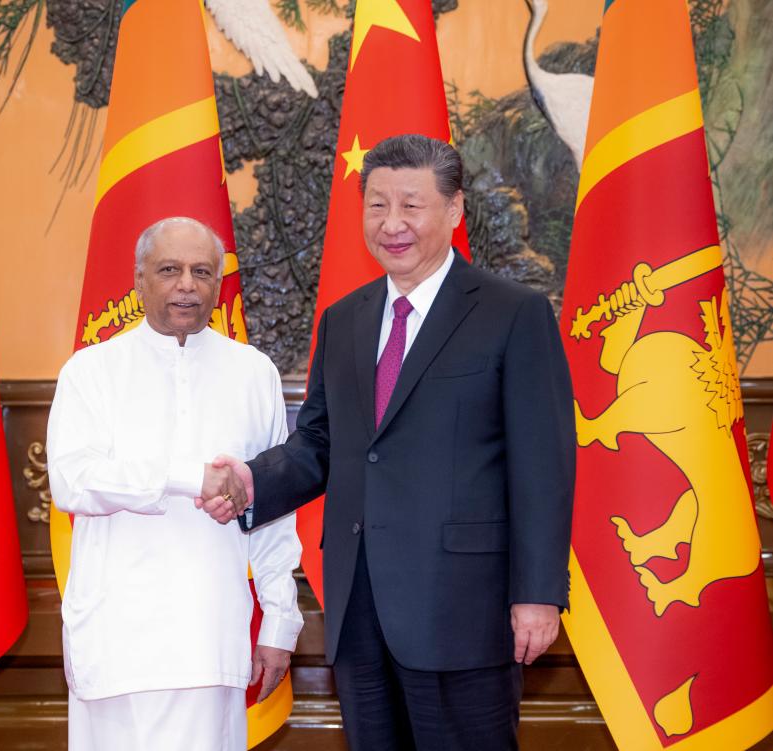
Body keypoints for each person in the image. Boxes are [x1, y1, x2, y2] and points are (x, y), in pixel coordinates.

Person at [203, 135, 575, 750]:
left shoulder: (513, 315)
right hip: (359, 608)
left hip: (466, 610)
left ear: (454, 210)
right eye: (377, 205)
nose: (392, 224)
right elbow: (320, 443)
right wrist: (250, 481)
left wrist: (536, 595)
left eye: (411, 204)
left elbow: (543, 467)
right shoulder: (345, 319)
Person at [47, 216, 303, 751]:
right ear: (140, 280)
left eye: (201, 271)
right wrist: (190, 478)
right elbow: (74, 481)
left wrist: (280, 623)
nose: (187, 283)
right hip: (116, 639)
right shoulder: (91, 371)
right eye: (170, 269)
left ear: (217, 283)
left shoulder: (254, 373)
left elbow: (275, 511)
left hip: (211, 637)